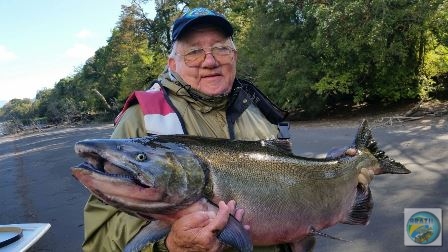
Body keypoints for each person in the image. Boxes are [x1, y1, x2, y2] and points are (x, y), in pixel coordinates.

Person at [81, 7, 373, 252]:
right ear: (173, 63)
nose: (210, 61)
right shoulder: (141, 118)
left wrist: (339, 169)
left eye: (221, 48)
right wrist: (167, 246)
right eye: (194, 52)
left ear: (234, 56)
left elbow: (294, 186)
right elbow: (99, 239)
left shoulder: (261, 114)